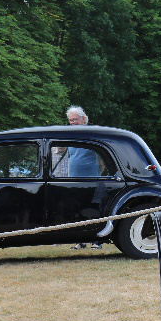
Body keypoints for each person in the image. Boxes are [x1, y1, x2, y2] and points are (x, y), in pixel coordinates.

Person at [64, 106, 103, 250]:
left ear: (83, 119)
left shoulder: (92, 134)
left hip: (92, 180)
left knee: (93, 210)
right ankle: (80, 241)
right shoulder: (70, 137)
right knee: (77, 210)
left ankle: (96, 241)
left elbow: (102, 159)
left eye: (75, 119)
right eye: (70, 120)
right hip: (74, 180)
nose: (72, 122)